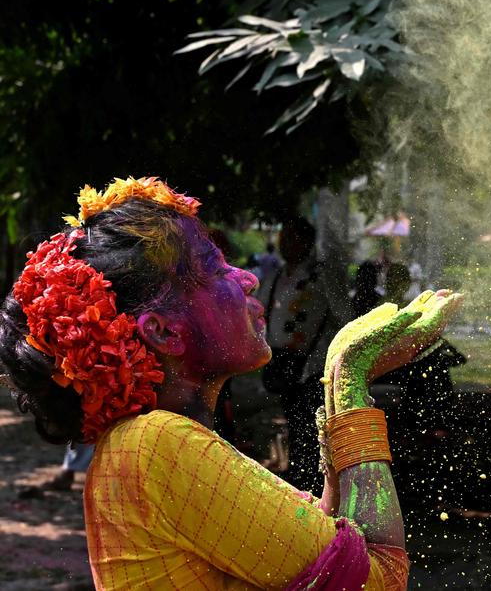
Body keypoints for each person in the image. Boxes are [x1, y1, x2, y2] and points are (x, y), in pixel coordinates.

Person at [0, 177, 463, 589]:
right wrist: (351, 382)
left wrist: (338, 373)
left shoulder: (151, 443)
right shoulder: (154, 443)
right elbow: (379, 579)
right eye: (214, 269)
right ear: (164, 331)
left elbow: (323, 534)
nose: (243, 278)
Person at [258, 217, 350, 492]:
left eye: (292, 238)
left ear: (307, 242)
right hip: (283, 362)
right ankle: (300, 479)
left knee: (311, 427)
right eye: (283, 238)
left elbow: (345, 316)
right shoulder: (275, 277)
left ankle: (315, 483)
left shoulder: (323, 277)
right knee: (294, 423)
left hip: (313, 367)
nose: (285, 244)